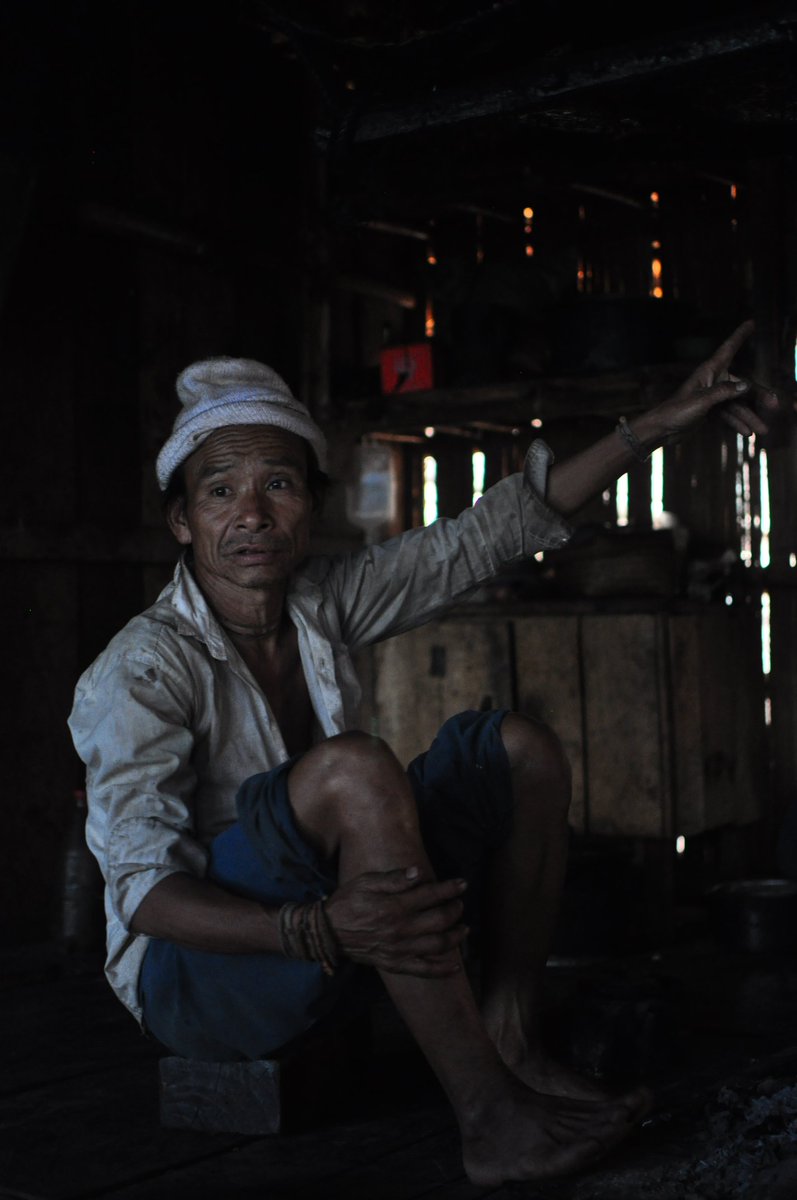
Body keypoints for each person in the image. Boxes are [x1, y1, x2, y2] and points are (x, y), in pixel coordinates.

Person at [69, 321, 776, 1186]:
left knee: (516, 749)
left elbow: (490, 533)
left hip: (337, 923)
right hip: (204, 978)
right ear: (181, 520)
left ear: (310, 507)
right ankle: (487, 1117)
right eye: (219, 492)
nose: (250, 514)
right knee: (355, 769)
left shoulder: (320, 603)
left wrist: (656, 426)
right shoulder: (137, 670)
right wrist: (315, 927)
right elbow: (141, 894)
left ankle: (509, 1040)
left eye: (278, 485)